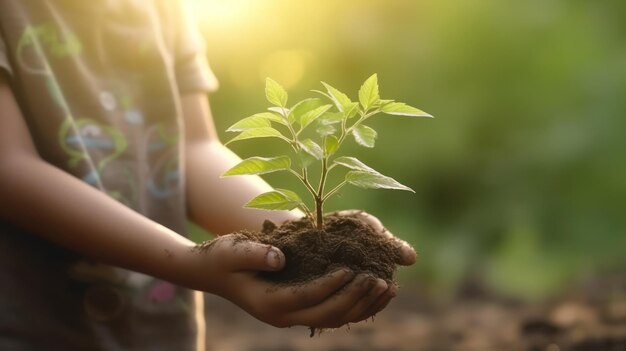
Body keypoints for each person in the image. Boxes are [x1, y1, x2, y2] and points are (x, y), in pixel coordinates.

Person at [0, 0, 417, 349]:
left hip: (157, 326)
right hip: (32, 324)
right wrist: (191, 262)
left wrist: (300, 237)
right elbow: (10, 168)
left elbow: (193, 147)